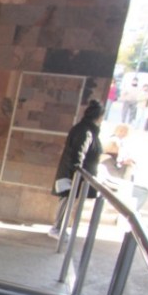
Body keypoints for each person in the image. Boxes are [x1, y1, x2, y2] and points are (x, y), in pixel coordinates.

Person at [48, 100, 104, 238]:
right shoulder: (85, 131)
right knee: (67, 200)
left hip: (76, 175)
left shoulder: (87, 130)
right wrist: (77, 173)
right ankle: (57, 228)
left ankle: (59, 227)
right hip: (73, 175)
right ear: (99, 117)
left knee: (69, 201)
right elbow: (78, 154)